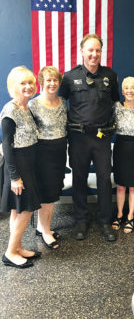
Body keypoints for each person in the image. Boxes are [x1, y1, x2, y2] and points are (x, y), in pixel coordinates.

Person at [58, 33, 120, 241]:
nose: (94, 54)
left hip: (102, 137)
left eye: (98, 50)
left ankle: (105, 221)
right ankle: (81, 221)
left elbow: (115, 103)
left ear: (101, 52)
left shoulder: (110, 76)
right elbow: (59, 104)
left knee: (104, 180)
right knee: (79, 179)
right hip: (78, 138)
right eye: (90, 50)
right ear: (82, 51)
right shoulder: (69, 76)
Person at [1, 66, 41, 269]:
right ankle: (9, 253)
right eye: (23, 83)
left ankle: (16, 248)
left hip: (29, 164)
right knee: (26, 210)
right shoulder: (10, 110)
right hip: (18, 167)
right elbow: (6, 147)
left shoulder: (27, 107)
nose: (28, 86)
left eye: (30, 82)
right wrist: (15, 177)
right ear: (14, 87)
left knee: (18, 211)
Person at [29, 66, 67, 250]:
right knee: (47, 195)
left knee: (53, 192)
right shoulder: (33, 104)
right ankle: (45, 231)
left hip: (59, 152)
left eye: (55, 80)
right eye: (48, 80)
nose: (52, 83)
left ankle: (41, 227)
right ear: (41, 82)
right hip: (42, 153)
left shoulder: (63, 102)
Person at [112, 77, 134, 233]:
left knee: (133, 187)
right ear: (122, 91)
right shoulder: (116, 107)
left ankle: (130, 216)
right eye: (126, 88)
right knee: (120, 186)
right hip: (121, 148)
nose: (129, 90)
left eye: (132, 87)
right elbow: (104, 125)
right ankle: (119, 214)